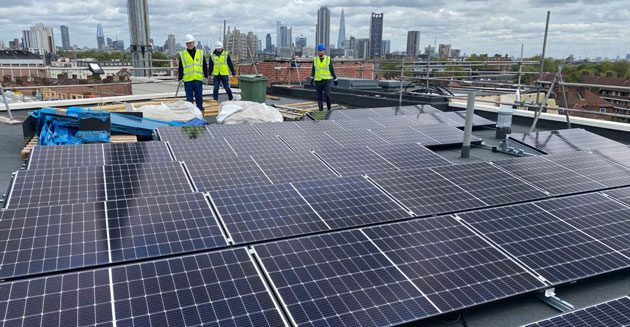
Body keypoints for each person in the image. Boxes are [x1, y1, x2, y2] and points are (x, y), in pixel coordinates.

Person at [177, 34, 208, 111]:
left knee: (199, 97)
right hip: (188, 80)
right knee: (189, 99)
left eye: (191, 42)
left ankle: (200, 113)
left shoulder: (200, 53)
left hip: (198, 79)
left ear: (194, 42)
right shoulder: (183, 54)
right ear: (186, 44)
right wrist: (180, 78)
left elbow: (204, 65)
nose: (189, 44)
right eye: (188, 43)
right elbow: (180, 67)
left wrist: (206, 76)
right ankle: (191, 114)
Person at [310, 43, 338, 111]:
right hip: (318, 81)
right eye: (318, 50)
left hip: (327, 81)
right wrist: (312, 78)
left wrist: (335, 78)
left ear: (324, 51)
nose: (319, 52)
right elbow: (313, 69)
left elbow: (331, 69)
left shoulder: (328, 59)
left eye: (320, 50)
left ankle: (329, 109)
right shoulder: (315, 59)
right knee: (319, 97)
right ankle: (321, 110)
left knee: (327, 95)